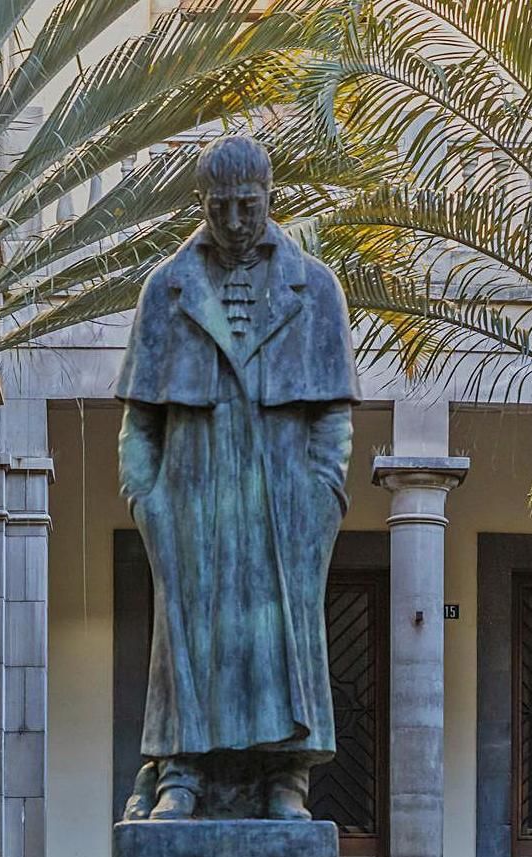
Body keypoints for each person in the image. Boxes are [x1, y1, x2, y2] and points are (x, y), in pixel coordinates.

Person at [117, 134, 358, 820]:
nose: (232, 221)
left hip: (284, 498)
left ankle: (284, 777)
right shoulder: (167, 289)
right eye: (219, 207)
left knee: (279, 637)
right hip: (191, 493)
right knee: (189, 635)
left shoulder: (314, 288)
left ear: (269, 198)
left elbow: (332, 416)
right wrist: (147, 499)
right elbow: (140, 423)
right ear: (203, 203)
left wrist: (320, 499)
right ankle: (180, 774)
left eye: (246, 206)